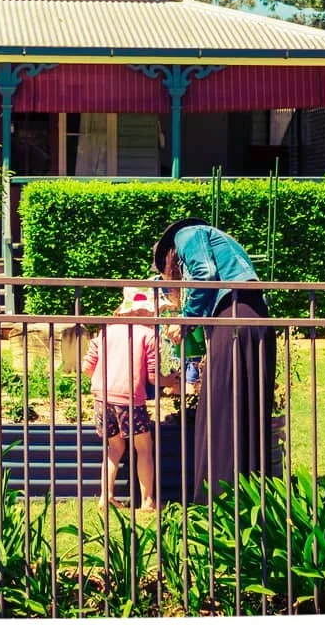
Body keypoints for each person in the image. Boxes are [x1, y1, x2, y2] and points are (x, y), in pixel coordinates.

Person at [152, 217, 275, 505]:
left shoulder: (187, 234)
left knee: (220, 409)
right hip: (251, 318)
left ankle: (217, 499)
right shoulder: (217, 241)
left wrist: (185, 321)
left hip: (235, 319)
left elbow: (205, 274)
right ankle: (249, 496)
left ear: (169, 254)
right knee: (247, 408)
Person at [82, 285, 175, 511]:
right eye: (154, 312)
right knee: (143, 447)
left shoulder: (105, 332)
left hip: (102, 397)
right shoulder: (148, 336)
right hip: (130, 400)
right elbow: (154, 378)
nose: (157, 316)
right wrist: (172, 380)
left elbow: (87, 368)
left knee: (114, 448)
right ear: (142, 313)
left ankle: (106, 497)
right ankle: (147, 501)